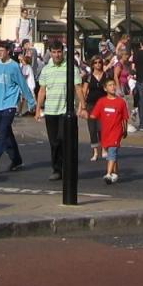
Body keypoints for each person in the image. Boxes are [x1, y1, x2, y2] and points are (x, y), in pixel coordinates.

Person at [34, 39, 86, 181]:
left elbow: (78, 88)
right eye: (54, 52)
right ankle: (57, 169)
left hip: (65, 111)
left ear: (63, 52)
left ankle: (68, 168)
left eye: (59, 52)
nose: (57, 55)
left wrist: (83, 106)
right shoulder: (46, 69)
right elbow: (42, 91)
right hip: (50, 111)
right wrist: (38, 109)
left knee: (64, 139)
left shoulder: (71, 68)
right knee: (54, 142)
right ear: (50, 53)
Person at [0, 41, 35, 172]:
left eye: (2, 50)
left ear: (8, 51)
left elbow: (22, 84)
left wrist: (31, 101)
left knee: (3, 132)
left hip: (9, 104)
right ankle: (16, 159)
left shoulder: (14, 66)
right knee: (6, 133)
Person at [90, 77, 130, 184]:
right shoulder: (102, 101)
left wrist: (125, 130)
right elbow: (94, 115)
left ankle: (108, 174)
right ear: (105, 88)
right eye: (110, 85)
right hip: (105, 132)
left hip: (116, 131)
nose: (113, 87)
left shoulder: (121, 102)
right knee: (111, 153)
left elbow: (125, 118)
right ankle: (115, 173)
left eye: (114, 85)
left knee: (112, 151)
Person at [84, 56, 109, 160]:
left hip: (103, 104)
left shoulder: (106, 75)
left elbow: (110, 88)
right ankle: (95, 152)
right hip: (91, 104)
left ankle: (104, 149)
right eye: (95, 63)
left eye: (99, 62)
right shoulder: (89, 77)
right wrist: (82, 107)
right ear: (92, 65)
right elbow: (84, 91)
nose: (98, 64)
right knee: (92, 128)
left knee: (102, 127)